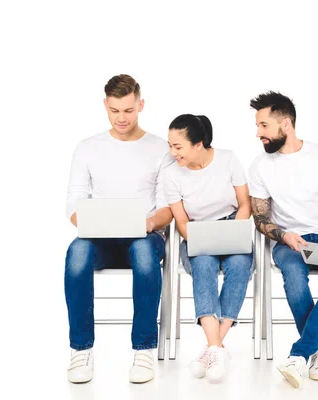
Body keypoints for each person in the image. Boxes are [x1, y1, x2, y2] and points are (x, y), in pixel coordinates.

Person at [64, 74, 173, 384]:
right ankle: (80, 349)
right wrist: (92, 223)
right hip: (98, 238)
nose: (121, 118)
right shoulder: (87, 147)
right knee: (76, 254)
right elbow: (73, 203)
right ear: (105, 106)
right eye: (114, 111)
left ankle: (143, 349)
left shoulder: (160, 148)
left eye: (128, 110)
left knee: (142, 252)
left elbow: (168, 207)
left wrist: (148, 223)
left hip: (144, 237)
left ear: (140, 105)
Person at [248, 91, 318, 388]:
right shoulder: (259, 166)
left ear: (287, 124)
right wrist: (283, 236)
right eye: (258, 126)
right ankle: (317, 352)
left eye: (264, 126)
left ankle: (300, 353)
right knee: (294, 276)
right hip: (289, 241)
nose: (258, 133)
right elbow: (260, 218)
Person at [164, 114, 253, 383]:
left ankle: (212, 348)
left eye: (178, 146)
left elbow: (245, 204)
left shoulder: (228, 159)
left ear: (198, 143)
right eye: (170, 145)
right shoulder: (171, 174)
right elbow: (181, 221)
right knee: (203, 265)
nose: (172, 152)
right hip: (196, 233)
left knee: (239, 264)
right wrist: (200, 237)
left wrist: (232, 233)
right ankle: (217, 348)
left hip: (231, 226)